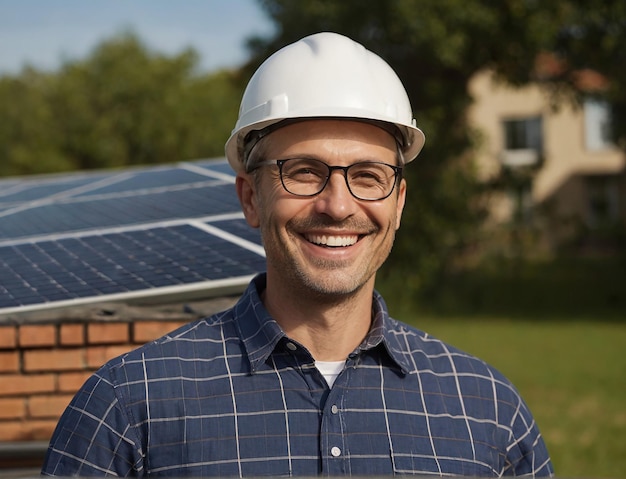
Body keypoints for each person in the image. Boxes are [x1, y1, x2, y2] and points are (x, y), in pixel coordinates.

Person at [41, 32, 553, 477]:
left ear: (398, 204)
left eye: (368, 176)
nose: (337, 205)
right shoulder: (129, 407)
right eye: (303, 171)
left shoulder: (487, 412)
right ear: (249, 198)